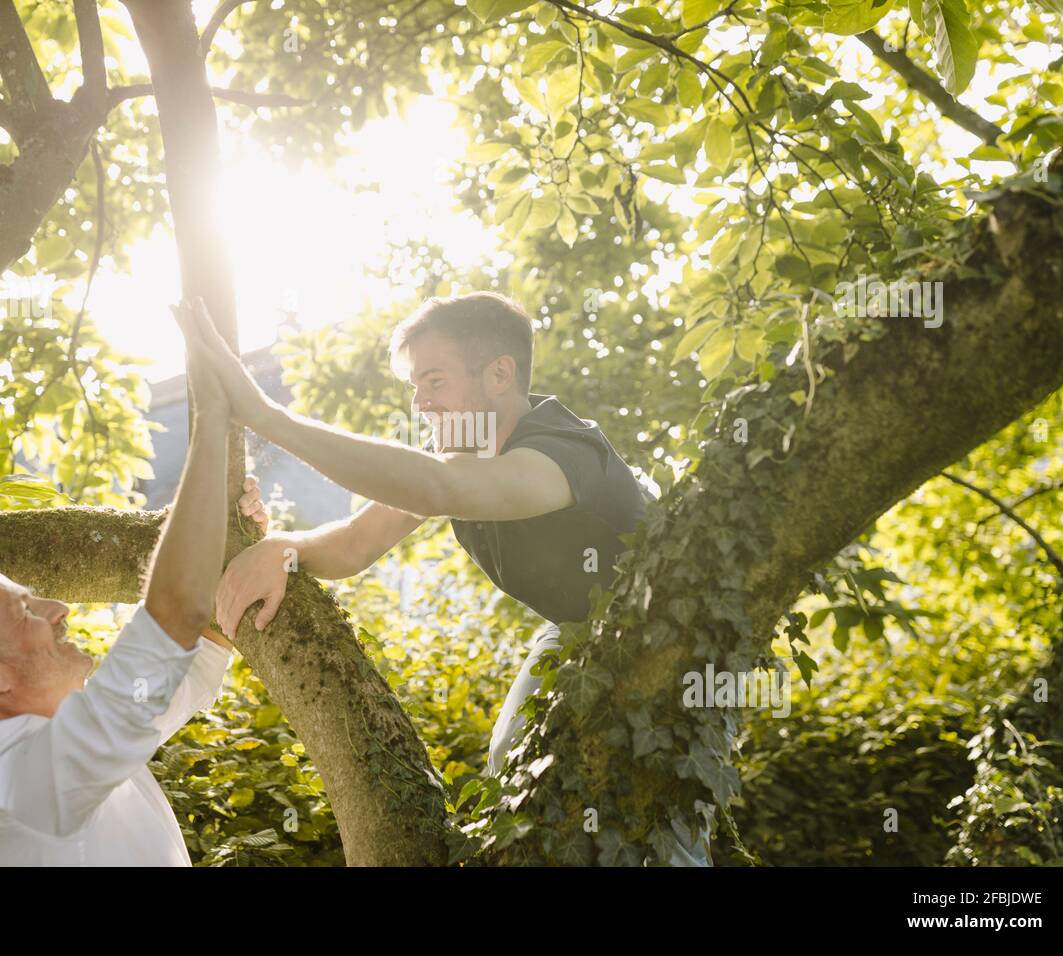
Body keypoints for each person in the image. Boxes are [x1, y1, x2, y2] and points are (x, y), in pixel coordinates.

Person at [217, 291, 713, 866]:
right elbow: (355, 544)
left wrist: (266, 418)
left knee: (653, 821)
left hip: (671, 649)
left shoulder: (562, 453)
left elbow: (435, 487)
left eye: (434, 381)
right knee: (513, 766)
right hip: (578, 639)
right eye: (414, 388)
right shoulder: (459, 457)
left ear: (499, 374)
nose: (421, 404)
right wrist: (282, 547)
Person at [0, 298, 237, 866]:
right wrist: (214, 416)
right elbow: (173, 614)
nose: (59, 607)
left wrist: (230, 546)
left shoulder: (58, 744)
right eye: (24, 610)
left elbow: (189, 659)